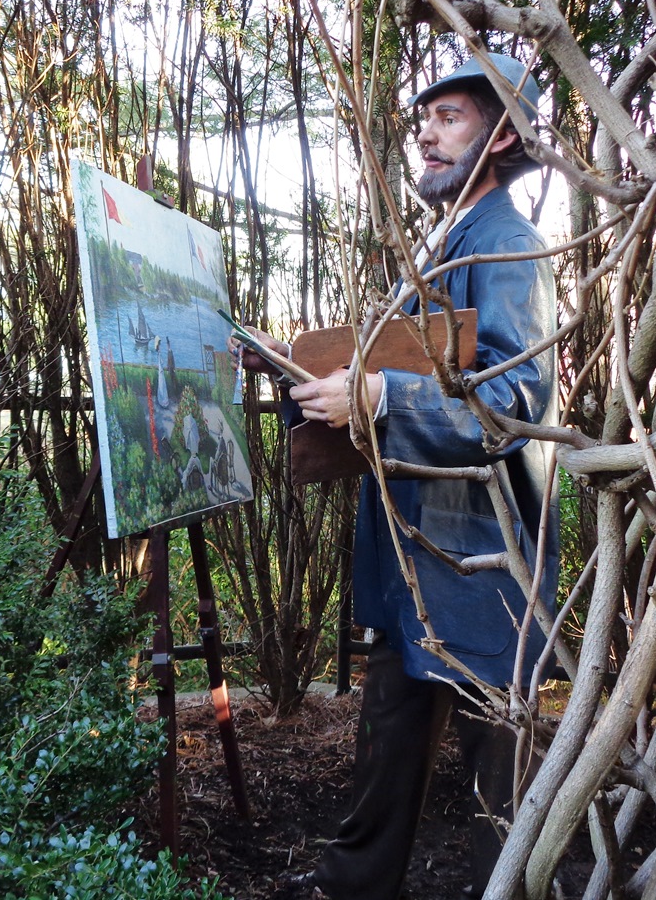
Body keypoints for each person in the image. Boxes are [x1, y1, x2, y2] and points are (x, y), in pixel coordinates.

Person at [238, 54, 559, 900]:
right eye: (424, 119)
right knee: (388, 740)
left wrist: (381, 395)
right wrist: (293, 363)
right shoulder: (445, 243)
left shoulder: (509, 246)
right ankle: (351, 887)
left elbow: (514, 402)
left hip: (484, 567)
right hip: (420, 555)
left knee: (503, 781)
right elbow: (396, 366)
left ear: (502, 136)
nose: (425, 133)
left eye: (450, 117)